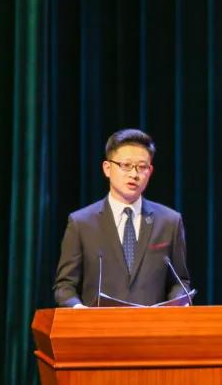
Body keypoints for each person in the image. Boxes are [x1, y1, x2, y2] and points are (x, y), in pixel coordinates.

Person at [53, 129, 192, 308]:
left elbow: (179, 282)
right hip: (100, 324)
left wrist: (179, 303)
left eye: (142, 167)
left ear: (150, 171)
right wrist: (79, 310)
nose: (134, 174)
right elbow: (65, 286)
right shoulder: (81, 223)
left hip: (152, 324)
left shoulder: (169, 222)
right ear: (107, 168)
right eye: (126, 165)